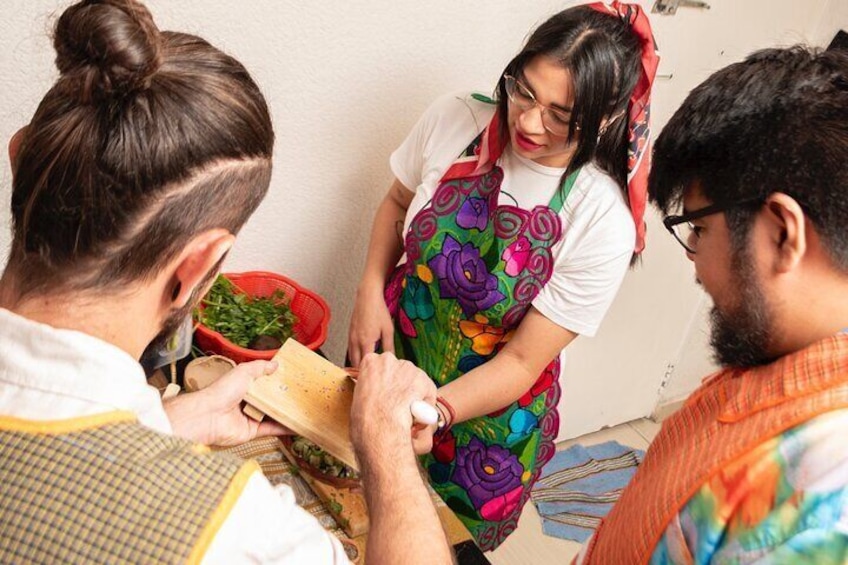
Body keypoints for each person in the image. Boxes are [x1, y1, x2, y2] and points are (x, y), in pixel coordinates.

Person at [0, 1, 451, 564]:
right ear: (196, 266)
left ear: (20, 157)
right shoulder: (234, 531)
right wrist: (384, 446)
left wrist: (166, 423)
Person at [347, 1, 659, 550]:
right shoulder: (454, 119)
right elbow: (396, 203)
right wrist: (369, 292)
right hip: (395, 356)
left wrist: (433, 411)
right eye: (525, 91)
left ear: (607, 120)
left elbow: (521, 360)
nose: (529, 122)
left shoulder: (599, 217)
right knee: (343, 512)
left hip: (487, 429)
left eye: (562, 115)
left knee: (433, 547)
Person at [576, 46, 848, 563]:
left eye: (698, 229)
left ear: (782, 233)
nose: (694, 264)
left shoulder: (818, 506)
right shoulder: (776, 360)